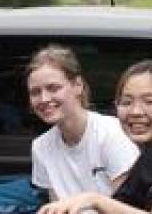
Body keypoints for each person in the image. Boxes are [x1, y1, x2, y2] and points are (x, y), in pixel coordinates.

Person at [37, 59, 152, 213]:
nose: (135, 112)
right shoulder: (146, 159)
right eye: (126, 102)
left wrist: (95, 200)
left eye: (150, 101)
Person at [25, 44, 139, 201]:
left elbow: (127, 206)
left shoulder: (112, 134)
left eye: (53, 88)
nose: (44, 99)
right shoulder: (41, 147)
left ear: (77, 85)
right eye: (35, 92)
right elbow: (56, 206)